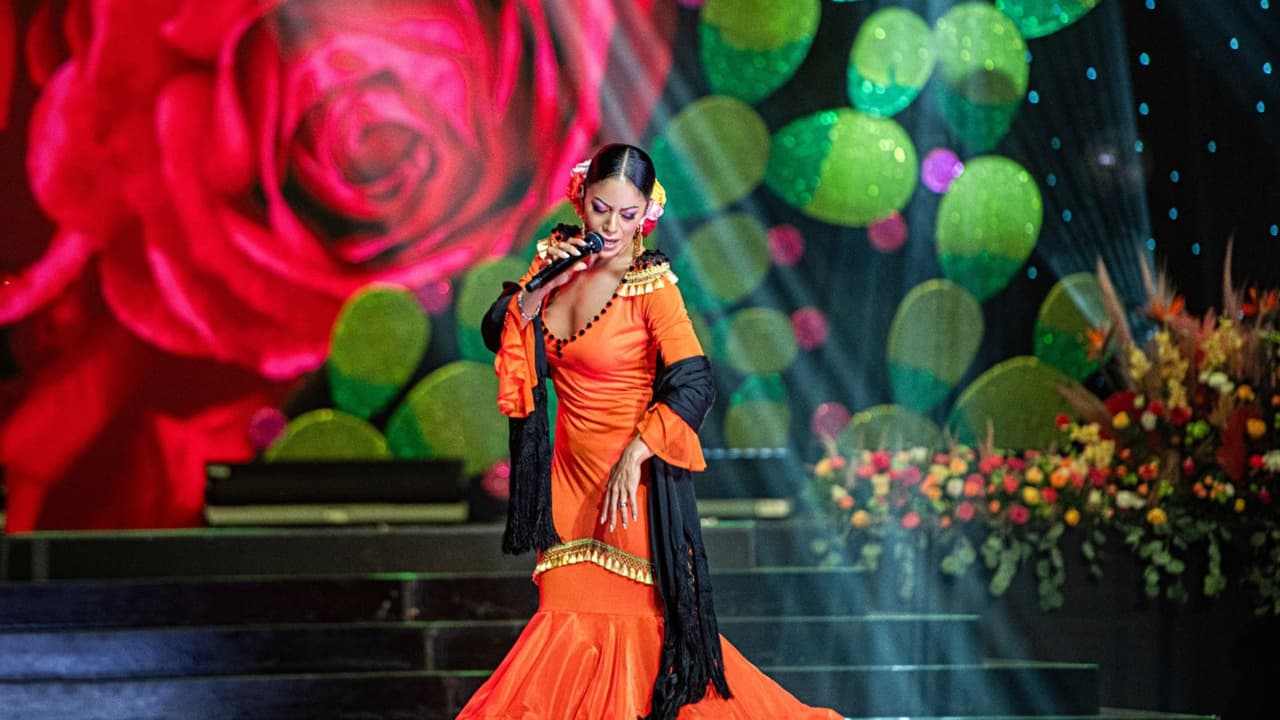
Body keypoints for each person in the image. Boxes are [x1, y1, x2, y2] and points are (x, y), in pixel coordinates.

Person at [459, 143, 842, 719]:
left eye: (627, 214)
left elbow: (695, 381)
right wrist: (537, 289)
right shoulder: (555, 265)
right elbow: (503, 334)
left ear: (647, 213)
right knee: (562, 623)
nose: (612, 227)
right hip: (566, 491)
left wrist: (639, 452)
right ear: (580, 200)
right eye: (600, 209)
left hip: (628, 494)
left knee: (638, 636)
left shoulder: (651, 285)